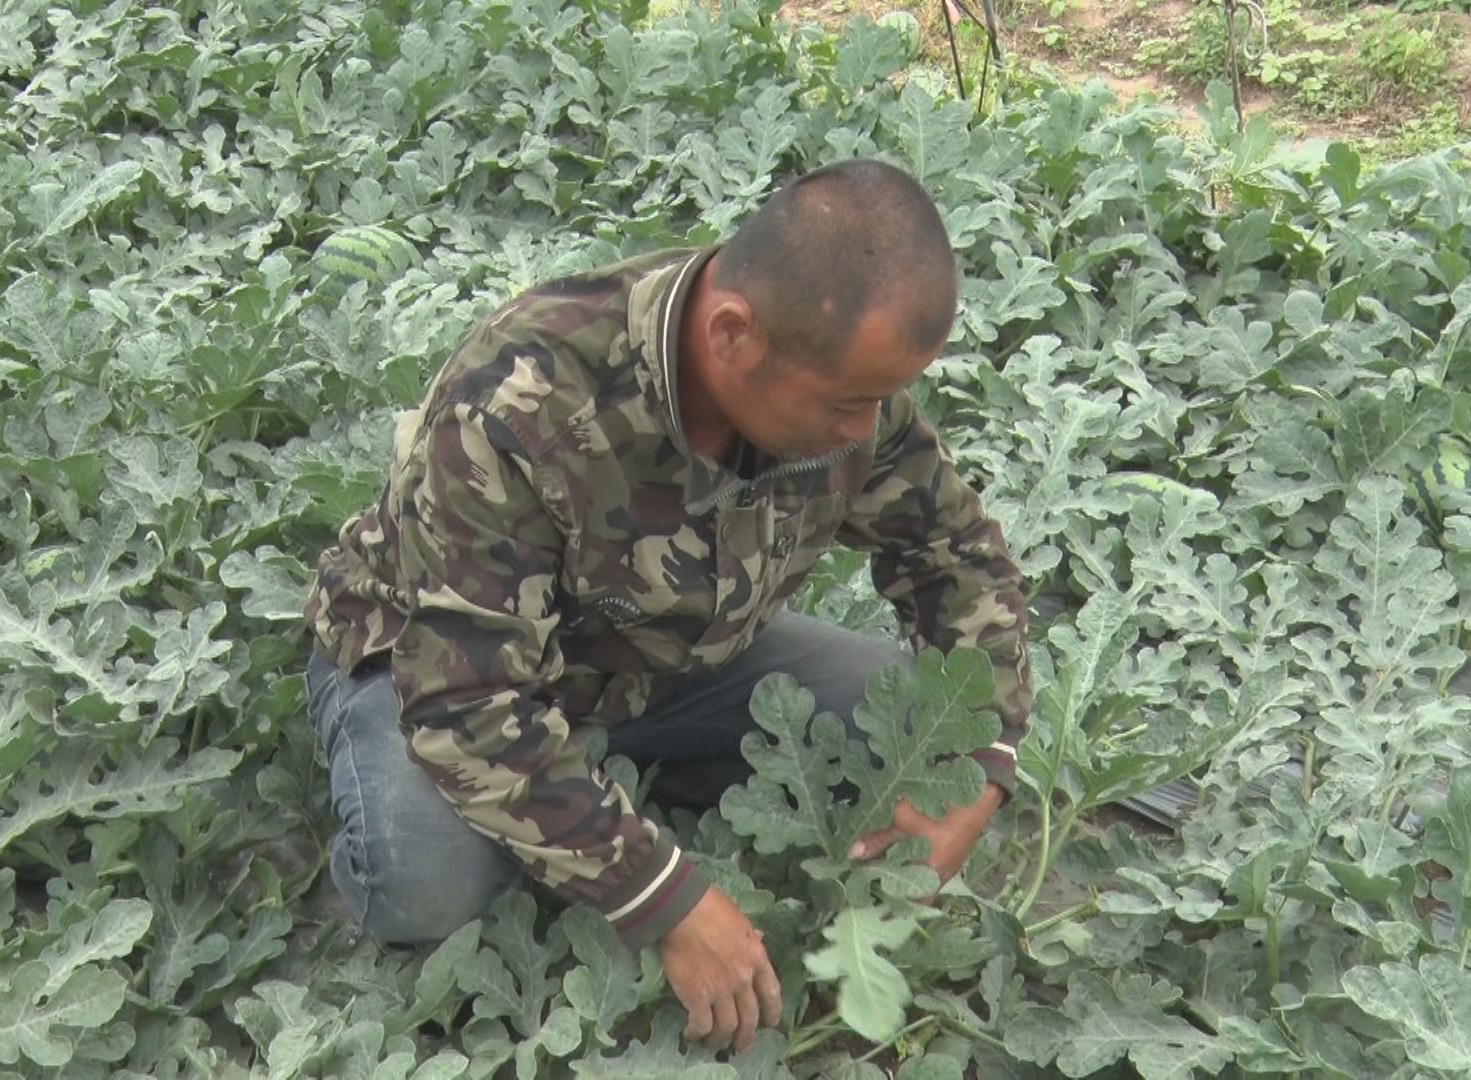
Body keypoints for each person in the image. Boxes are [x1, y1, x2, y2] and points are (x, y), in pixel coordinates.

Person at [301, 159, 1032, 1054]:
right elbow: (468, 705)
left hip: (666, 665)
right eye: (848, 404)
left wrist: (981, 766)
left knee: (912, 720)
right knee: (428, 887)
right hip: (432, 667)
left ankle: (608, 786)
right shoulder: (523, 397)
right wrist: (662, 896)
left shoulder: (833, 374)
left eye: (878, 402)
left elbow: (956, 558)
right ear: (733, 335)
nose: (863, 431)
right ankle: (530, 800)